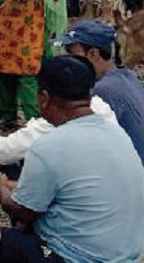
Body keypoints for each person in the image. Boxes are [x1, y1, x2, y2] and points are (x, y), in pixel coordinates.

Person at [0, 56, 144, 263]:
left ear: (43, 97)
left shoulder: (47, 146)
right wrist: (9, 186)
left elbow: (23, 211)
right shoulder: (114, 131)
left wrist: (0, 188)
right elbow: (70, 191)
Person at [58, 21, 144, 162]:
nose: (68, 60)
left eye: (71, 54)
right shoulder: (128, 76)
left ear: (93, 53)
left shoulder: (102, 92)